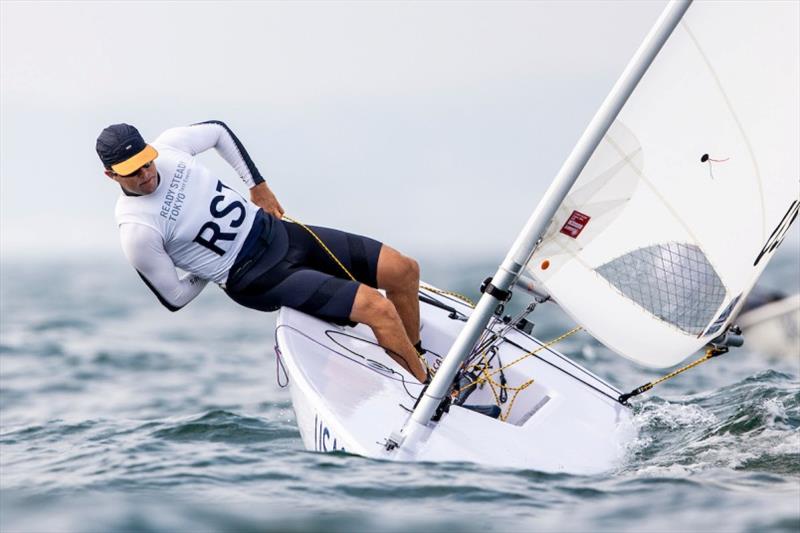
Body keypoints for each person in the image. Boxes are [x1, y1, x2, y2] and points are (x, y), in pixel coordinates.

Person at [96, 121, 427, 383]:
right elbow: (174, 297)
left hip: (283, 235)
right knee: (377, 308)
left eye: (146, 162)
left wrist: (257, 185)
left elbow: (218, 132)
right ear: (111, 176)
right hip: (257, 277)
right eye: (133, 172)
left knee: (403, 270)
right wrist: (208, 269)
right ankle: (425, 391)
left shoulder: (171, 147)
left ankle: (415, 359)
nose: (146, 174)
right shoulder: (137, 230)